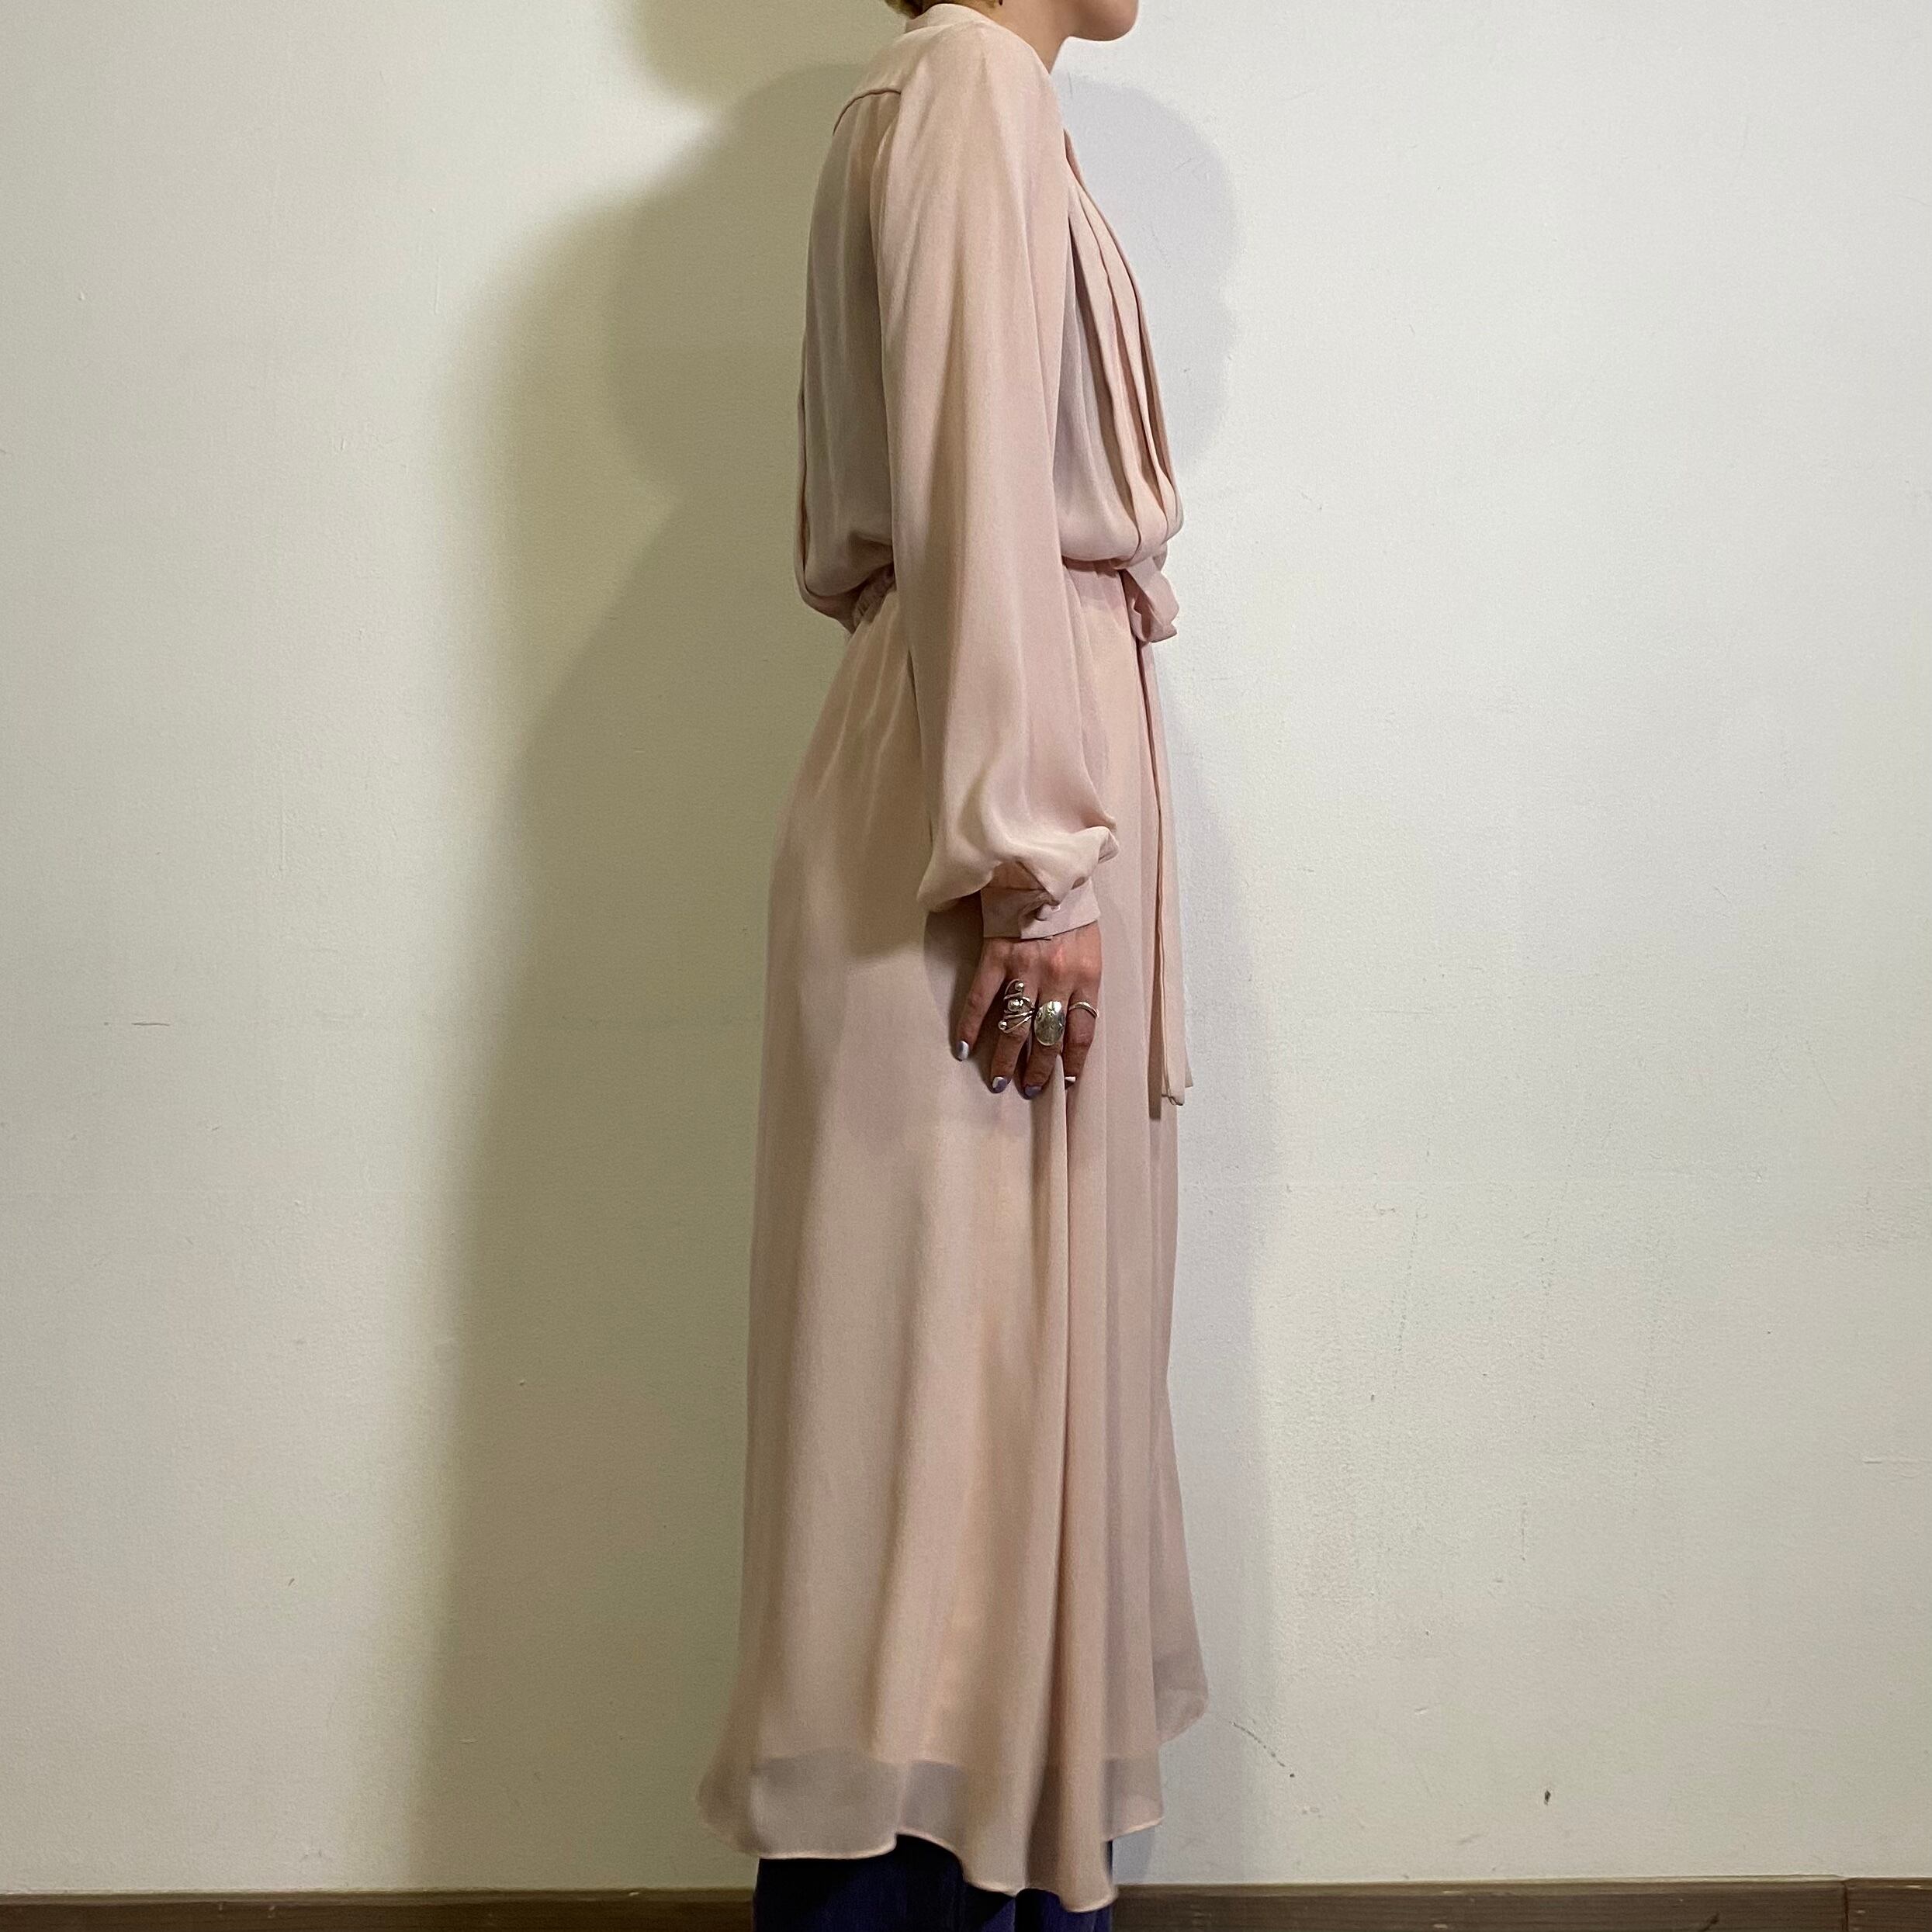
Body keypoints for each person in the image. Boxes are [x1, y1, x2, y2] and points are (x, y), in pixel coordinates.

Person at [695, 1, 1208, 1923]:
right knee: (950, 1426)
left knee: (975, 1424)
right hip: (987, 811)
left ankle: (986, 1884)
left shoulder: (948, 98)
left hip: (984, 772)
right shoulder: (972, 84)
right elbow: (979, 479)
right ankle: (933, 1901)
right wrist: (1029, 860)